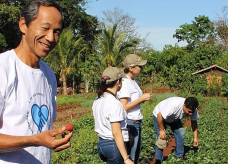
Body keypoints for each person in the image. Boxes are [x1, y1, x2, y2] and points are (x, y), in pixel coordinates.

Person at [0, 0, 73, 163]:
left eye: (57, 32)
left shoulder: (48, 75)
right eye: (45, 28)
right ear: (23, 25)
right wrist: (35, 140)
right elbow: (35, 137)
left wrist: (51, 140)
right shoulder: (3, 69)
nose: (51, 38)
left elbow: (38, 128)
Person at [93, 67, 134, 164]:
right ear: (118, 82)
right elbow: (116, 132)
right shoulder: (114, 103)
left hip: (102, 144)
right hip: (114, 146)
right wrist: (126, 158)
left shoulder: (97, 100)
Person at [117, 54, 152, 163]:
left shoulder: (134, 81)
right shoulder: (125, 83)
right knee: (131, 154)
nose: (141, 68)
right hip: (131, 122)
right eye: (139, 66)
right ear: (131, 68)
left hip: (136, 121)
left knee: (136, 153)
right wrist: (141, 99)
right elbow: (124, 107)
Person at [153, 96, 199, 163]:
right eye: (189, 112)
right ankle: (158, 161)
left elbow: (194, 122)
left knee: (181, 133)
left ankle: (179, 157)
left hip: (174, 118)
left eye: (192, 112)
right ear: (184, 105)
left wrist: (195, 138)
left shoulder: (193, 109)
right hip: (159, 116)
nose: (191, 114)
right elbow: (159, 115)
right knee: (161, 138)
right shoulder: (173, 105)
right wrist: (161, 130)